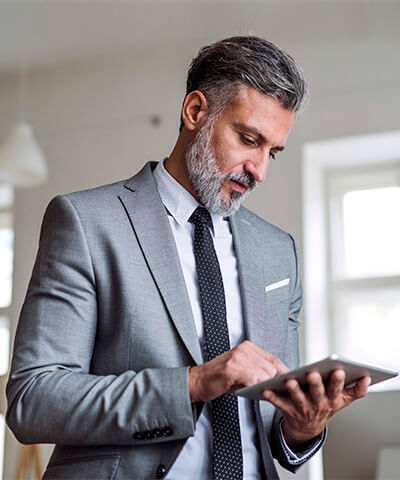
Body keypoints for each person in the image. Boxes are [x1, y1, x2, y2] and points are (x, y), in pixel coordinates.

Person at [6, 36, 370, 480]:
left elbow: (275, 429)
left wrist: (303, 426)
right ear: (196, 112)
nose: (259, 170)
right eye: (248, 139)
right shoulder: (86, 222)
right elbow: (34, 400)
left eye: (272, 151)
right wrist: (193, 384)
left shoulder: (279, 252)